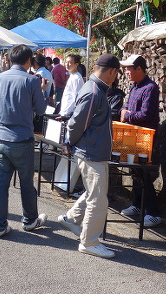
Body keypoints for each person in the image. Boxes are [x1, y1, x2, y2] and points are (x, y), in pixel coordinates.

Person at [58, 53, 121, 259]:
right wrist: (72, 143)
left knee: (93, 192)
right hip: (91, 153)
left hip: (91, 152)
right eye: (116, 73)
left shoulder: (93, 88)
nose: (116, 78)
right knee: (98, 199)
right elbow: (77, 123)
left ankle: (71, 219)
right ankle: (90, 242)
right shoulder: (94, 91)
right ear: (111, 71)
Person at [0, 44, 48, 237]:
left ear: (9, 59)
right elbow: (40, 110)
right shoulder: (32, 81)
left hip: (2, 137)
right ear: (28, 61)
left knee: (1, 184)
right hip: (22, 139)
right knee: (26, 183)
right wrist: (42, 91)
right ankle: (30, 220)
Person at [119, 54, 162, 228]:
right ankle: (137, 204)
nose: (127, 72)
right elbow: (126, 106)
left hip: (145, 137)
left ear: (139, 69)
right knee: (134, 172)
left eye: (129, 68)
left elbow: (145, 115)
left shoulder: (151, 88)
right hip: (132, 135)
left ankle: (154, 213)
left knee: (143, 173)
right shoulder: (134, 86)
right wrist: (124, 111)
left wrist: (127, 115)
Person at [58, 54, 84, 119]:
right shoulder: (73, 76)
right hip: (66, 112)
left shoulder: (76, 78)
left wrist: (71, 114)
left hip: (69, 114)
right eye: (66, 62)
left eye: (70, 63)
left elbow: (77, 98)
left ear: (76, 64)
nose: (67, 64)